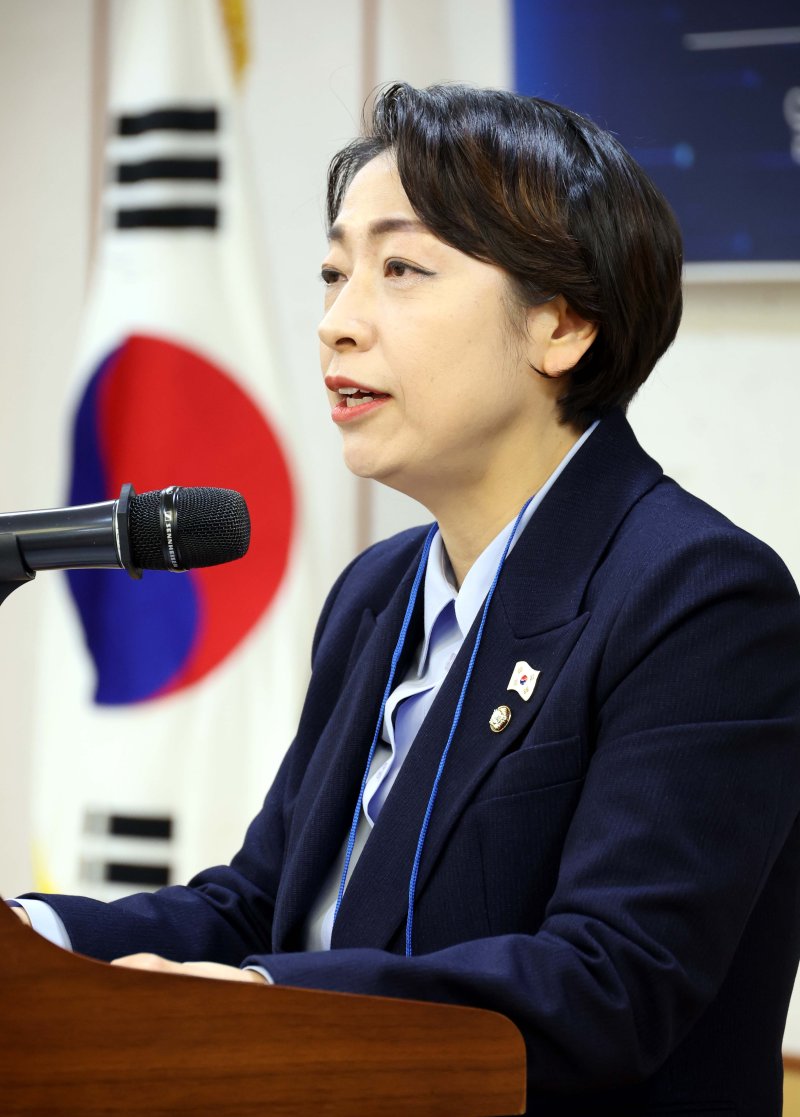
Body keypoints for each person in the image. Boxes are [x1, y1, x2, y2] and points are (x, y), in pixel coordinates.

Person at [10, 83, 800, 1116]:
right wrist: (34, 937)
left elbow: (609, 981)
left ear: (562, 324)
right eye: (333, 273)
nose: (337, 324)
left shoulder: (699, 597)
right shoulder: (378, 594)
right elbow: (261, 906)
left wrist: (264, 1001)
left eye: (400, 270)